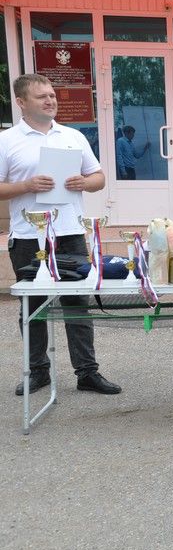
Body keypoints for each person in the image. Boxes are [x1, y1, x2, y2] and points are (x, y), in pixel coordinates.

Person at [0, 74, 121, 396]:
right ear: (22, 102)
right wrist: (25, 186)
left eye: (52, 95)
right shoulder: (7, 141)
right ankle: (37, 372)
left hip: (69, 233)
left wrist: (84, 183)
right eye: (42, 97)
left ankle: (87, 372)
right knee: (33, 306)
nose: (51, 101)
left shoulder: (73, 136)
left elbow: (98, 177)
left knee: (77, 305)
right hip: (29, 236)